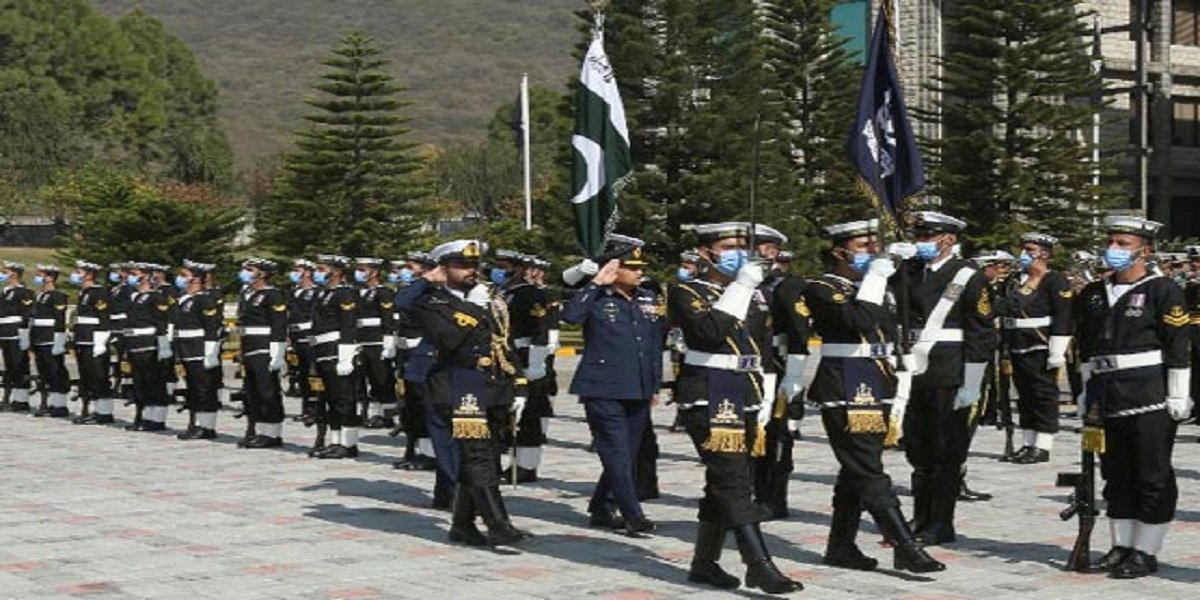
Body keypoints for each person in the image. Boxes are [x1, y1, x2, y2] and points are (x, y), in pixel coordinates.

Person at [804, 219, 945, 573]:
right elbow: (860, 320)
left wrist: (913, 265)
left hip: (879, 379)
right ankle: (904, 545)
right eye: (863, 246)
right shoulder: (822, 287)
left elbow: (916, 307)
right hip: (845, 383)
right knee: (868, 467)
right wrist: (879, 274)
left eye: (875, 245)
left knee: (856, 467)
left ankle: (840, 546)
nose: (872, 252)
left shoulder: (881, 284)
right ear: (840, 253)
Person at [670, 222, 801, 594]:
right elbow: (710, 332)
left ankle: (704, 563)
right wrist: (741, 285)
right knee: (734, 480)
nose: (739, 254)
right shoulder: (686, 291)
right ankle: (759, 565)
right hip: (709, 391)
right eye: (729, 246)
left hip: (746, 389)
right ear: (706, 253)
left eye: (743, 247)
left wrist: (767, 392)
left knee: (725, 479)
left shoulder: (755, 294)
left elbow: (762, 344)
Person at [1073, 216, 1191, 579]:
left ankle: (1146, 550)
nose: (1114, 249)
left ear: (1145, 250)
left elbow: (1177, 344)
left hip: (1148, 393)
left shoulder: (1162, 289)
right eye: (1111, 242)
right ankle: (1121, 544)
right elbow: (1086, 346)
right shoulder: (1094, 292)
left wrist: (1178, 392)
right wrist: (1084, 390)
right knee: (1116, 474)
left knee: (1151, 475)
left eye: (1123, 244)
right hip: (1105, 393)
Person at [408, 240, 530, 547]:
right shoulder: (431, 301)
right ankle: (498, 523)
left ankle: (462, 524)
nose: (470, 271)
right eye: (462, 266)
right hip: (459, 383)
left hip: (493, 385)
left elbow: (502, 342)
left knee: (484, 456)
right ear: (443, 269)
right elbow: (448, 338)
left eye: (473, 265)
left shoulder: (489, 298)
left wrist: (519, 383)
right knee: (477, 456)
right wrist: (473, 308)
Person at [893, 211, 996, 546]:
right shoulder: (908, 271)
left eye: (927, 237)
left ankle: (940, 522)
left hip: (949, 371)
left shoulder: (967, 276)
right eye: (918, 237)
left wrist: (972, 382)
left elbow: (981, 332)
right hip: (913, 370)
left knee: (945, 452)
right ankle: (920, 516)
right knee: (918, 451)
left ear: (948, 239)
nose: (920, 243)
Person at [560, 235, 663, 536]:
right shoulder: (594, 297)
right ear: (613, 269)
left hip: (638, 387)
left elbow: (654, 344)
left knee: (627, 453)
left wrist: (654, 384)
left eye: (642, 267)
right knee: (616, 452)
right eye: (633, 267)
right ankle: (633, 515)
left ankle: (601, 506)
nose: (640, 272)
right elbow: (570, 317)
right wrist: (595, 283)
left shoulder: (647, 298)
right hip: (602, 388)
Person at [994, 233, 1072, 464]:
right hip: (1016, 343)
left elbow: (1063, 316)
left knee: (1043, 396)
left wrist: (1057, 350)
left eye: (1029, 249)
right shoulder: (1015, 280)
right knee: (1024, 396)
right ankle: (1028, 442)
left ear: (1044, 254)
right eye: (1023, 249)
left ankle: (1043, 445)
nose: (1024, 254)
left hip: (1040, 344)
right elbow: (1004, 307)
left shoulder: (1054, 280)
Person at [498, 253, 554, 483]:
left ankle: (526, 466)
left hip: (524, 356)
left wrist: (535, 363)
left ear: (519, 269)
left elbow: (540, 330)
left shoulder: (530, 294)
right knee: (508, 412)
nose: (501, 271)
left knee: (528, 414)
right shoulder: (503, 292)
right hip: (505, 356)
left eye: (505, 267)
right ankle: (510, 461)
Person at [309, 255, 361, 459]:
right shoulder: (325, 293)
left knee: (344, 398)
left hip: (336, 350)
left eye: (322, 269)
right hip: (323, 349)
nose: (317, 273)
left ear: (336, 272)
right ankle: (335, 441)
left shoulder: (345, 293)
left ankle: (349, 443)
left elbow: (348, 325)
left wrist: (345, 357)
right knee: (330, 398)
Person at [391, 252, 438, 473]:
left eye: (411, 267)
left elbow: (402, 302)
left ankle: (430, 453)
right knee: (410, 405)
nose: (405, 271)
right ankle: (416, 449)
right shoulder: (415, 289)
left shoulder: (432, 291)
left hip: (423, 352)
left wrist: (426, 280)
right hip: (406, 351)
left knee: (425, 403)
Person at [236, 258, 289, 448]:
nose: (245, 273)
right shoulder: (248, 294)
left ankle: (273, 433)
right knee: (253, 392)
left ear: (263, 273)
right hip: (249, 346)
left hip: (264, 347)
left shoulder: (273, 295)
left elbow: (279, 325)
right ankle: (260, 430)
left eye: (250, 269)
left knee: (267, 391)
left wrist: (277, 353)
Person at [172, 261, 224, 440]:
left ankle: (207, 426)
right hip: (185, 348)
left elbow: (212, 327)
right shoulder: (183, 298)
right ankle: (195, 423)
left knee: (203, 388)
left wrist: (210, 352)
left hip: (198, 348)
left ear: (196, 279)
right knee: (192, 387)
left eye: (184, 275)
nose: (180, 278)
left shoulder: (204, 299)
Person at [123, 263, 172, 431]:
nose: (130, 276)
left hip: (149, 344)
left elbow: (161, 322)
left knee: (154, 382)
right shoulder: (135, 296)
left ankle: (157, 419)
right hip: (134, 343)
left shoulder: (156, 297)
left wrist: (163, 345)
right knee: (139, 382)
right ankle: (143, 416)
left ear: (145, 276)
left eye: (134, 273)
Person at [353, 257, 398, 430]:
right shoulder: (358, 292)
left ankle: (388, 414)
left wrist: (388, 340)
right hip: (362, 340)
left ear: (375, 272)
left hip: (377, 340)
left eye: (363, 269)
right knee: (365, 379)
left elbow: (388, 317)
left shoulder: (383, 292)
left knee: (381, 378)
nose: (359, 273)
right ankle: (371, 413)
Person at [70, 261, 115, 425]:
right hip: (83, 339)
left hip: (93, 340)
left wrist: (100, 342)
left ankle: (104, 413)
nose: (75, 274)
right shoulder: (84, 292)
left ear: (89, 275)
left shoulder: (99, 292)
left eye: (79, 271)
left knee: (99, 376)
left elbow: (103, 318)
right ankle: (93, 409)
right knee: (87, 376)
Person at [28, 265, 70, 418]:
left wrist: (59, 339)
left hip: (50, 338)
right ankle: (45, 402)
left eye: (41, 275)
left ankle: (59, 405)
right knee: (43, 372)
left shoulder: (57, 295)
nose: (38, 277)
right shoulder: (41, 295)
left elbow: (59, 318)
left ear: (50, 278)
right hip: (39, 337)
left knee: (55, 371)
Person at [287, 259, 319, 424]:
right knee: (301, 374)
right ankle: (306, 408)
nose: (294, 273)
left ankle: (316, 409)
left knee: (313, 373)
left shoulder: (316, 292)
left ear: (307, 272)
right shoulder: (294, 291)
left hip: (309, 336)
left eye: (297, 270)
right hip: (295, 336)